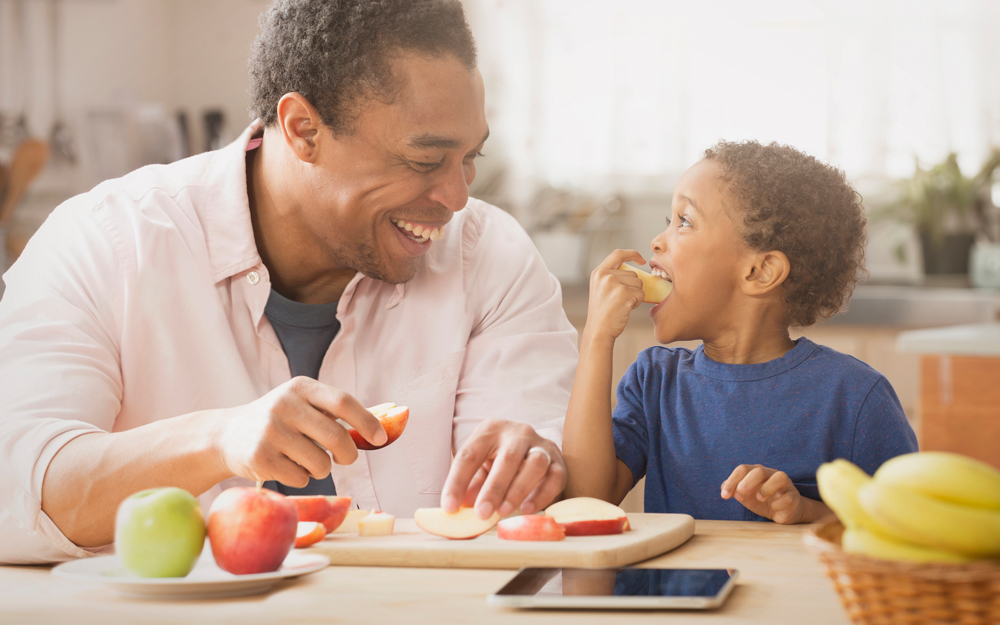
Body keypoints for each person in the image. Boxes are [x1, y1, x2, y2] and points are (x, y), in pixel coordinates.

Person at [0, 0, 577, 564]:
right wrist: (220, 439)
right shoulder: (106, 242)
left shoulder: (490, 258)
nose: (456, 198)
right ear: (303, 128)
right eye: (426, 161)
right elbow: (16, 498)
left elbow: (528, 513)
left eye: (469, 158)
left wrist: (532, 464)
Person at [563, 140, 918, 524]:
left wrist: (805, 511)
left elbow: (906, 524)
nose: (657, 241)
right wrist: (596, 338)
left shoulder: (854, 397)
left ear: (759, 272)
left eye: (684, 221)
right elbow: (585, 500)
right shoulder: (655, 381)